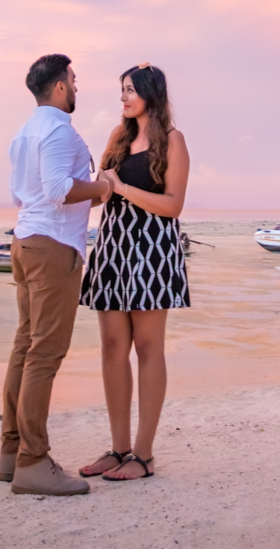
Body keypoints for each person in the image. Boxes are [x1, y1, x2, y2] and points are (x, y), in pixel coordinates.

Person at [0, 53, 113, 497]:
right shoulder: (59, 130)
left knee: (25, 347)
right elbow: (59, 190)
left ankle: (10, 454)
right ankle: (32, 461)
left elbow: (21, 192)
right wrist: (104, 186)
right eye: (74, 79)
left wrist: (92, 194)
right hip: (52, 248)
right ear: (60, 87)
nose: (78, 87)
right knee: (44, 355)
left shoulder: (24, 133)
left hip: (25, 241)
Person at [78, 63, 190, 482]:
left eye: (129, 90)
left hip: (152, 251)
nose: (123, 98)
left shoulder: (173, 141)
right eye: (120, 91)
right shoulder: (118, 137)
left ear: (150, 93)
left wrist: (121, 188)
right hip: (113, 247)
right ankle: (119, 447)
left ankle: (143, 455)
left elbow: (173, 206)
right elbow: (98, 192)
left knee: (147, 348)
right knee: (111, 346)